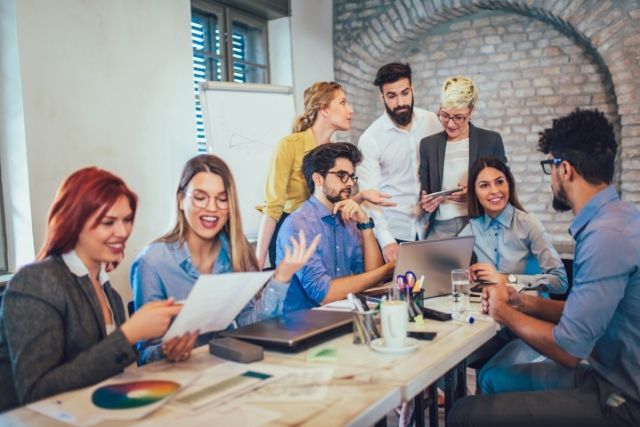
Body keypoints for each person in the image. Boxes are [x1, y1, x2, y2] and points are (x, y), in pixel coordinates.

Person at [448, 109, 640, 427]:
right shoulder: (619, 218)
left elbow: (569, 349)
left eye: (549, 167)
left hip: (622, 398)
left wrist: (505, 312)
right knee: (493, 380)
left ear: (563, 169)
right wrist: (522, 300)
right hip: (607, 376)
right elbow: (583, 313)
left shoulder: (606, 236)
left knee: (461, 414)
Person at [0, 167, 182, 412]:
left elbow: (107, 369)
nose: (123, 232)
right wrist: (129, 334)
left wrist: (166, 351)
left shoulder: (109, 292)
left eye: (127, 219)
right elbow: (37, 392)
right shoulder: (36, 281)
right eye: (108, 222)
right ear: (74, 222)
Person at [130, 155, 319, 365]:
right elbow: (144, 354)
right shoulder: (153, 262)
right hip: (175, 377)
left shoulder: (237, 251)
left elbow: (252, 325)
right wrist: (166, 351)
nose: (212, 208)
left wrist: (281, 278)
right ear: (181, 200)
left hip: (226, 365)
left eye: (221, 199)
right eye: (201, 197)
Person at [277, 142, 395, 313]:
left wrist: (364, 223)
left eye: (352, 176)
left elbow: (373, 279)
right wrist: (388, 269)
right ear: (318, 179)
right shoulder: (298, 226)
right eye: (341, 175)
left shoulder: (347, 217)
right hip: (302, 325)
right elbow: (325, 293)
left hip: (344, 314)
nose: (349, 184)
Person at [255, 81, 353, 269]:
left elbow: (333, 202)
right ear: (324, 109)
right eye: (342, 102)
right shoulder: (289, 145)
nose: (350, 110)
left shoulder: (336, 154)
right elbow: (272, 208)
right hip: (292, 234)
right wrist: (257, 262)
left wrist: (361, 197)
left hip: (324, 233)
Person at [358, 63, 440, 262]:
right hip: (395, 232)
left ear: (412, 90)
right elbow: (370, 194)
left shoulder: (432, 122)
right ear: (382, 97)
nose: (400, 102)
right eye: (392, 96)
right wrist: (386, 240)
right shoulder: (370, 138)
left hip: (433, 228)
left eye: (405, 93)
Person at [459, 156, 568, 294]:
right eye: (484, 185)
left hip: (530, 309)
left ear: (509, 184)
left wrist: (507, 279)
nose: (494, 191)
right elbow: (447, 268)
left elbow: (560, 282)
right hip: (490, 309)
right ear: (475, 193)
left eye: (499, 182)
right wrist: (467, 275)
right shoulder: (471, 229)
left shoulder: (529, 224)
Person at [419, 76, 506, 240]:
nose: (450, 124)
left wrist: (475, 194)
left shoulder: (491, 140)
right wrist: (425, 203)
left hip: (481, 224)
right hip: (440, 226)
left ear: (471, 111)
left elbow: (504, 187)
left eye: (459, 117)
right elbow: (424, 190)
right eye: (444, 115)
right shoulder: (428, 145)